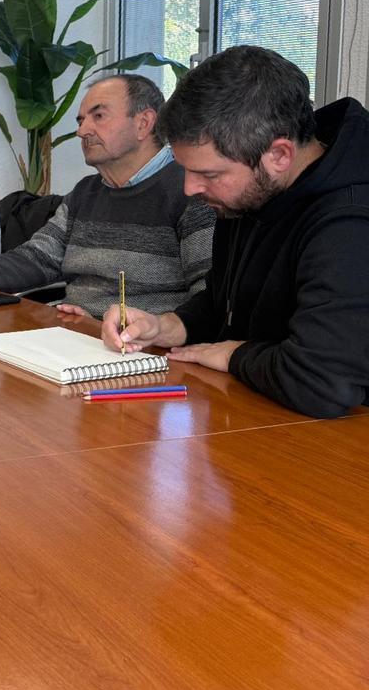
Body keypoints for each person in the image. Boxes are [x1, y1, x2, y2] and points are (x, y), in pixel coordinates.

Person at [101, 46, 369, 418]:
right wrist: (164, 327)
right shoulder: (250, 191)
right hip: (254, 414)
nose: (190, 189)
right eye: (187, 171)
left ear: (279, 155)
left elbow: (322, 381)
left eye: (209, 174)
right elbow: (223, 303)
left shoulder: (351, 222)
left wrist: (231, 353)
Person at [0, 75, 215, 318]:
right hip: (75, 332)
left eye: (98, 116)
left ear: (144, 123)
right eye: (81, 120)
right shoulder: (86, 192)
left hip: (144, 350)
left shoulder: (192, 190)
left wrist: (152, 329)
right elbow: (38, 257)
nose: (82, 130)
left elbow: (208, 295)